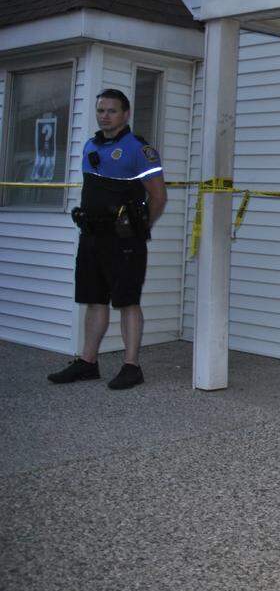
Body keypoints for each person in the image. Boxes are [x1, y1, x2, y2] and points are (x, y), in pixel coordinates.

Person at [48, 88, 166, 389]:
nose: (105, 116)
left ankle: (131, 366)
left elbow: (158, 197)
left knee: (128, 301)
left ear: (125, 114)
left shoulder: (139, 149)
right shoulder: (91, 145)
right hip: (91, 237)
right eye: (101, 110)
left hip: (124, 240)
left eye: (112, 111)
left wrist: (140, 228)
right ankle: (88, 362)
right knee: (94, 299)